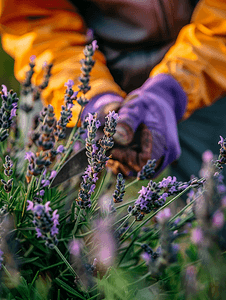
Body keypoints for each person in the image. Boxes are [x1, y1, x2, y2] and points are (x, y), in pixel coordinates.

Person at [0, 0, 226, 181]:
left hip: (204, 62)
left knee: (209, 203)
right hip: (73, 61)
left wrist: (172, 91)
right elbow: (33, 17)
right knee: (38, 195)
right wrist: (91, 96)